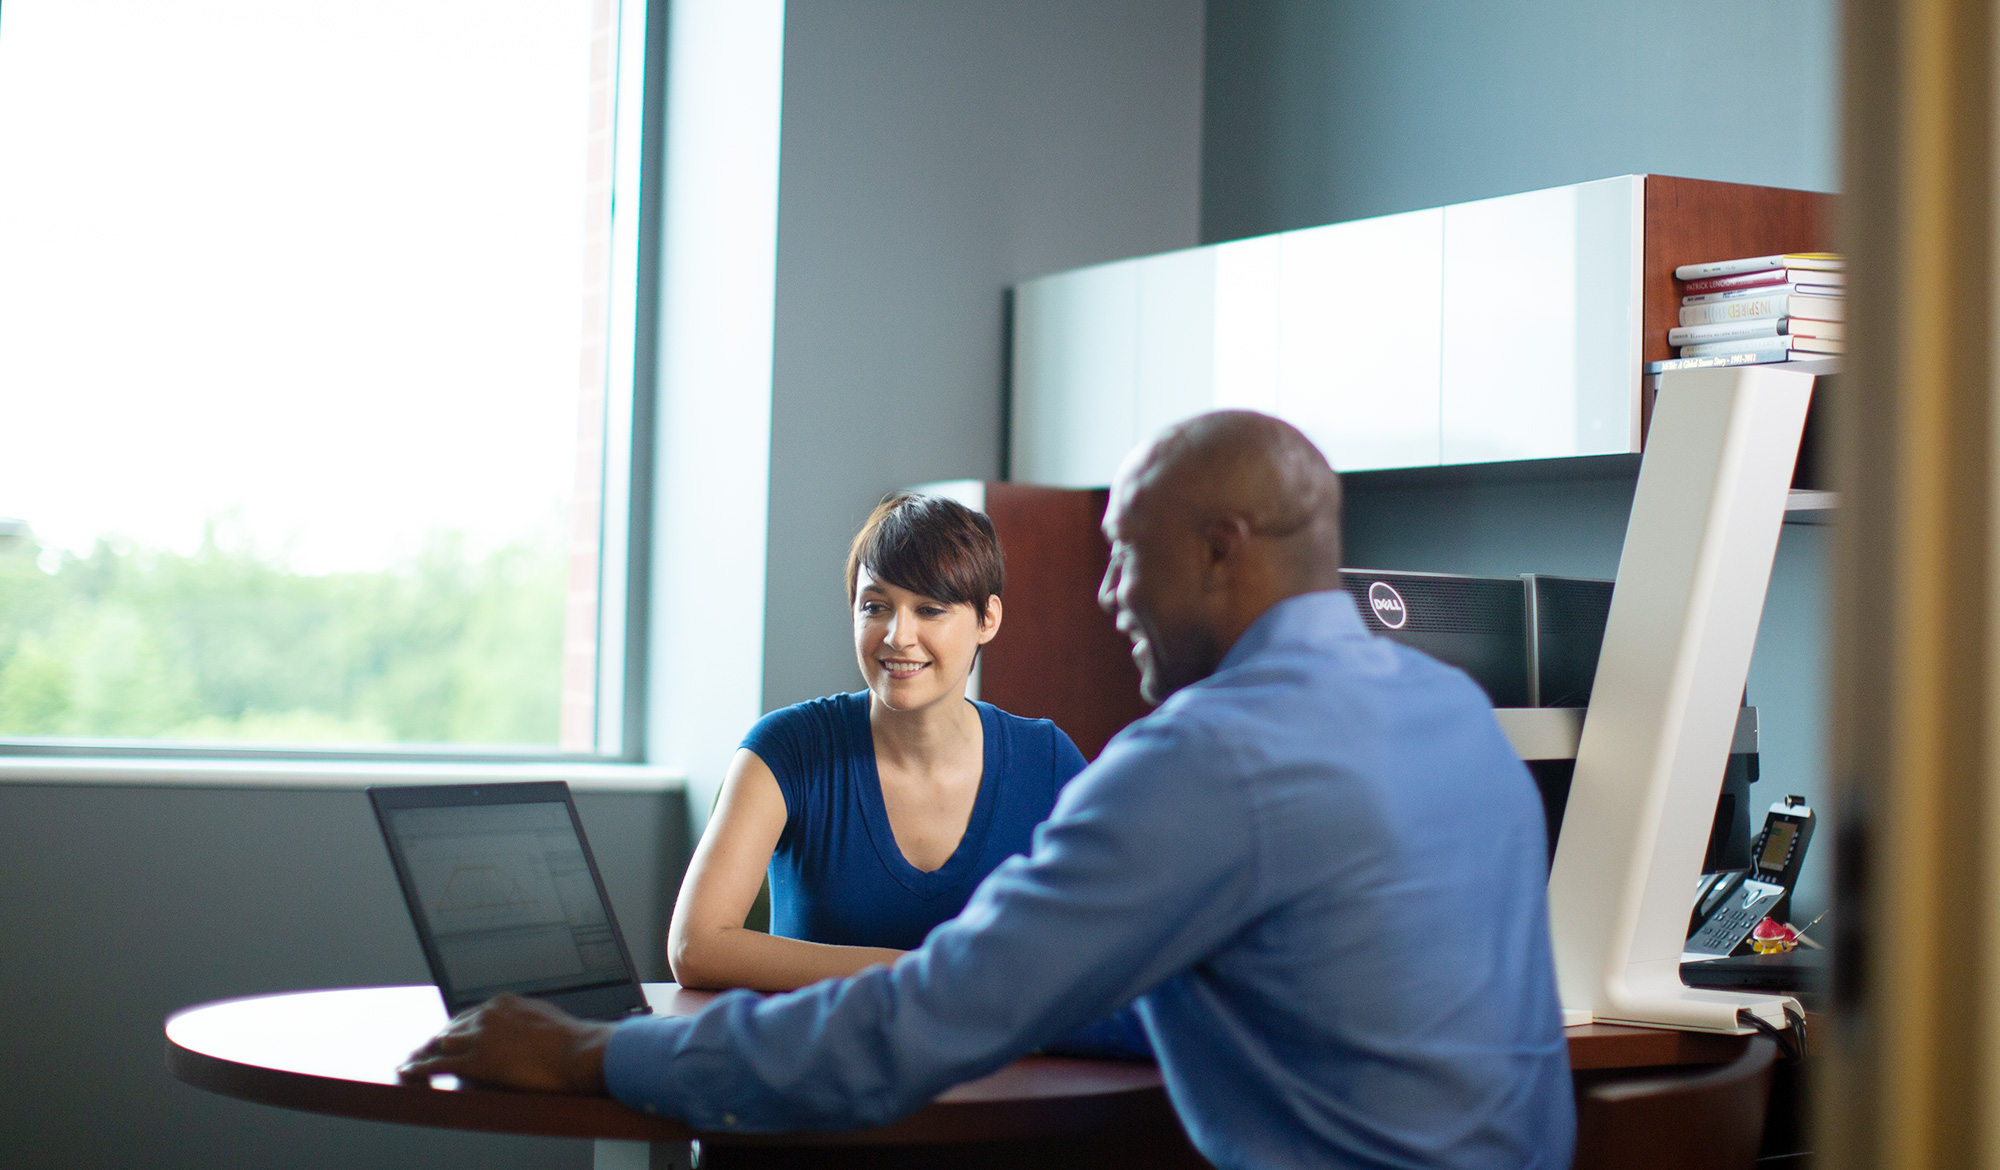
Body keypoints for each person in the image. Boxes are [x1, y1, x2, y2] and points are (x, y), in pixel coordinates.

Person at [401, 410, 1577, 1168]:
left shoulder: (1198, 763)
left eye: (1126, 551)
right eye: (878, 604)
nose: (1112, 593)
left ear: (1220, 550)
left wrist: (590, 1057)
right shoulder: (1457, 723)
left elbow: (913, 1032)